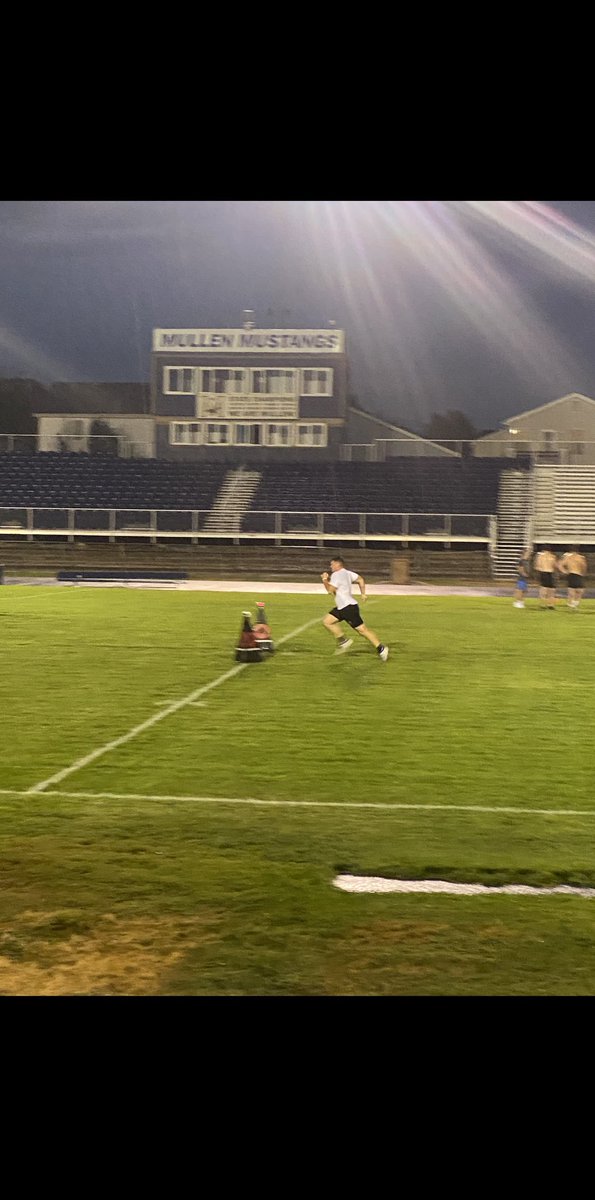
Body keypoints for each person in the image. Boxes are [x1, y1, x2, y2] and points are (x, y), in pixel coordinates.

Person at [320, 555, 389, 660]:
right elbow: (361, 579)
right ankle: (344, 641)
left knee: (362, 630)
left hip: (347, 608)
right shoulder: (348, 573)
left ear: (338, 564)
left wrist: (325, 579)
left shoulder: (336, 575)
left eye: (332, 564)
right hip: (343, 607)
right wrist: (363, 594)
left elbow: (330, 590)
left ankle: (381, 648)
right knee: (327, 621)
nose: (330, 566)